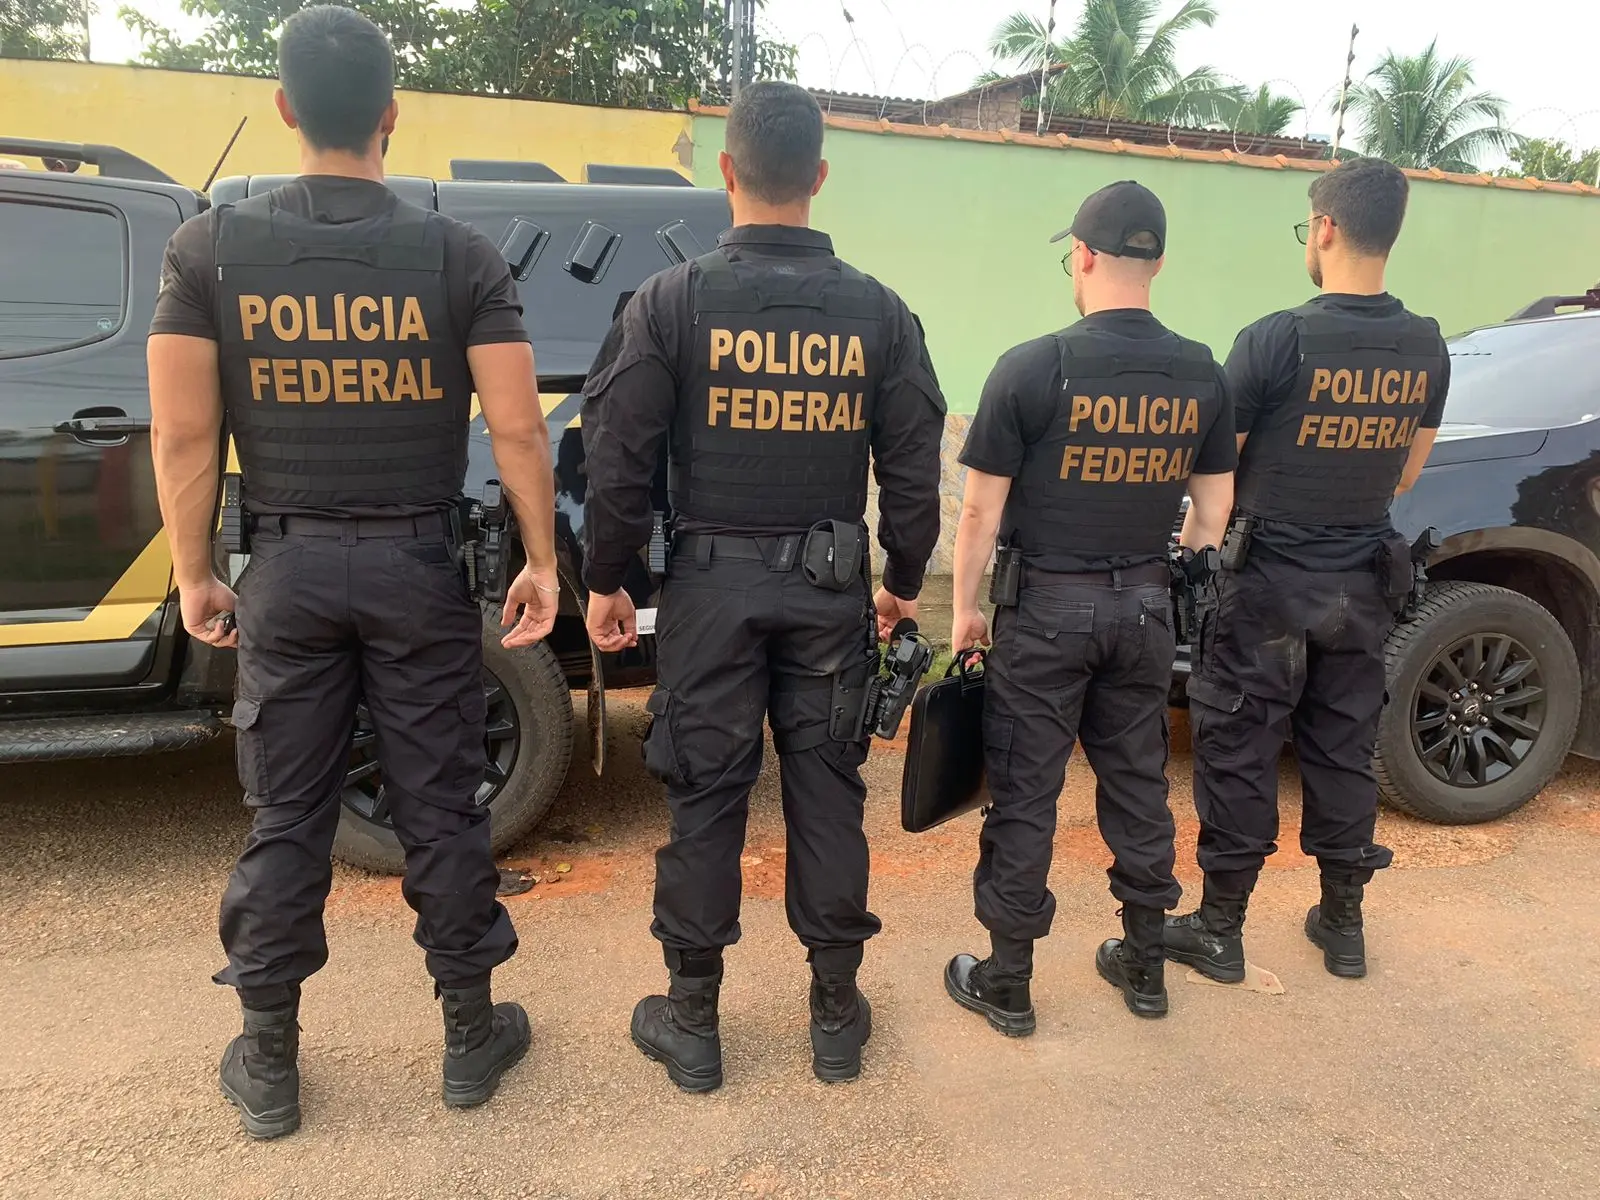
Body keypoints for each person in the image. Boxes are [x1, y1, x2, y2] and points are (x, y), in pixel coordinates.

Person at [146, 5, 559, 1139]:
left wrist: (195, 573)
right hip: (417, 571)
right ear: (391, 115)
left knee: (288, 812)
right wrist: (540, 561)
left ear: (286, 108)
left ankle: (269, 1057)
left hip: (285, 570)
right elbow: (519, 430)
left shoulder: (208, 251)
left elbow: (182, 435)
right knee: (440, 805)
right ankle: (470, 1036)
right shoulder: (459, 255)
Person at [580, 80, 945, 1091]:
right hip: (830, 594)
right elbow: (915, 466)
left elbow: (618, 454)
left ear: (726, 171)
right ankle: (834, 1015)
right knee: (827, 793)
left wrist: (607, 579)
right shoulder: (880, 313)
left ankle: (693, 1020)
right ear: (819, 176)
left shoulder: (670, 301)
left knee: (706, 795)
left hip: (710, 595)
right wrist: (901, 579)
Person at [944, 181, 1237, 1031]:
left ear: (1081, 256)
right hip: (1146, 610)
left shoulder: (1032, 367)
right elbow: (1213, 511)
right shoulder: (1201, 371)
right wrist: (1169, 576)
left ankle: (1008, 981)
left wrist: (964, 611)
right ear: (1158, 263)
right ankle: (1144, 967)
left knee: (1026, 795)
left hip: (1044, 613)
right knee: (1139, 786)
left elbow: (979, 513)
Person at [1166, 157, 1449, 984]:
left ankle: (1220, 929)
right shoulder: (1426, 345)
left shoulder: (1275, 339)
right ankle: (1343, 923)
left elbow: (1215, 468)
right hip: (1363, 579)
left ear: (1324, 229)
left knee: (1239, 745)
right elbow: (1406, 473)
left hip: (1265, 583)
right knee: (1343, 744)